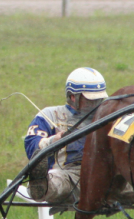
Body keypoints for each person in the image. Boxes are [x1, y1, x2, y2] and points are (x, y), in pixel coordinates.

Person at [24, 67, 108, 203]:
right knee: (56, 184)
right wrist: (53, 141)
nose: (95, 104)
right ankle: (40, 185)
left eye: (98, 100)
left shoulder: (108, 116)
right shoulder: (49, 115)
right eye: (90, 100)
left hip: (105, 174)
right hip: (69, 175)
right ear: (73, 97)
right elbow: (31, 146)